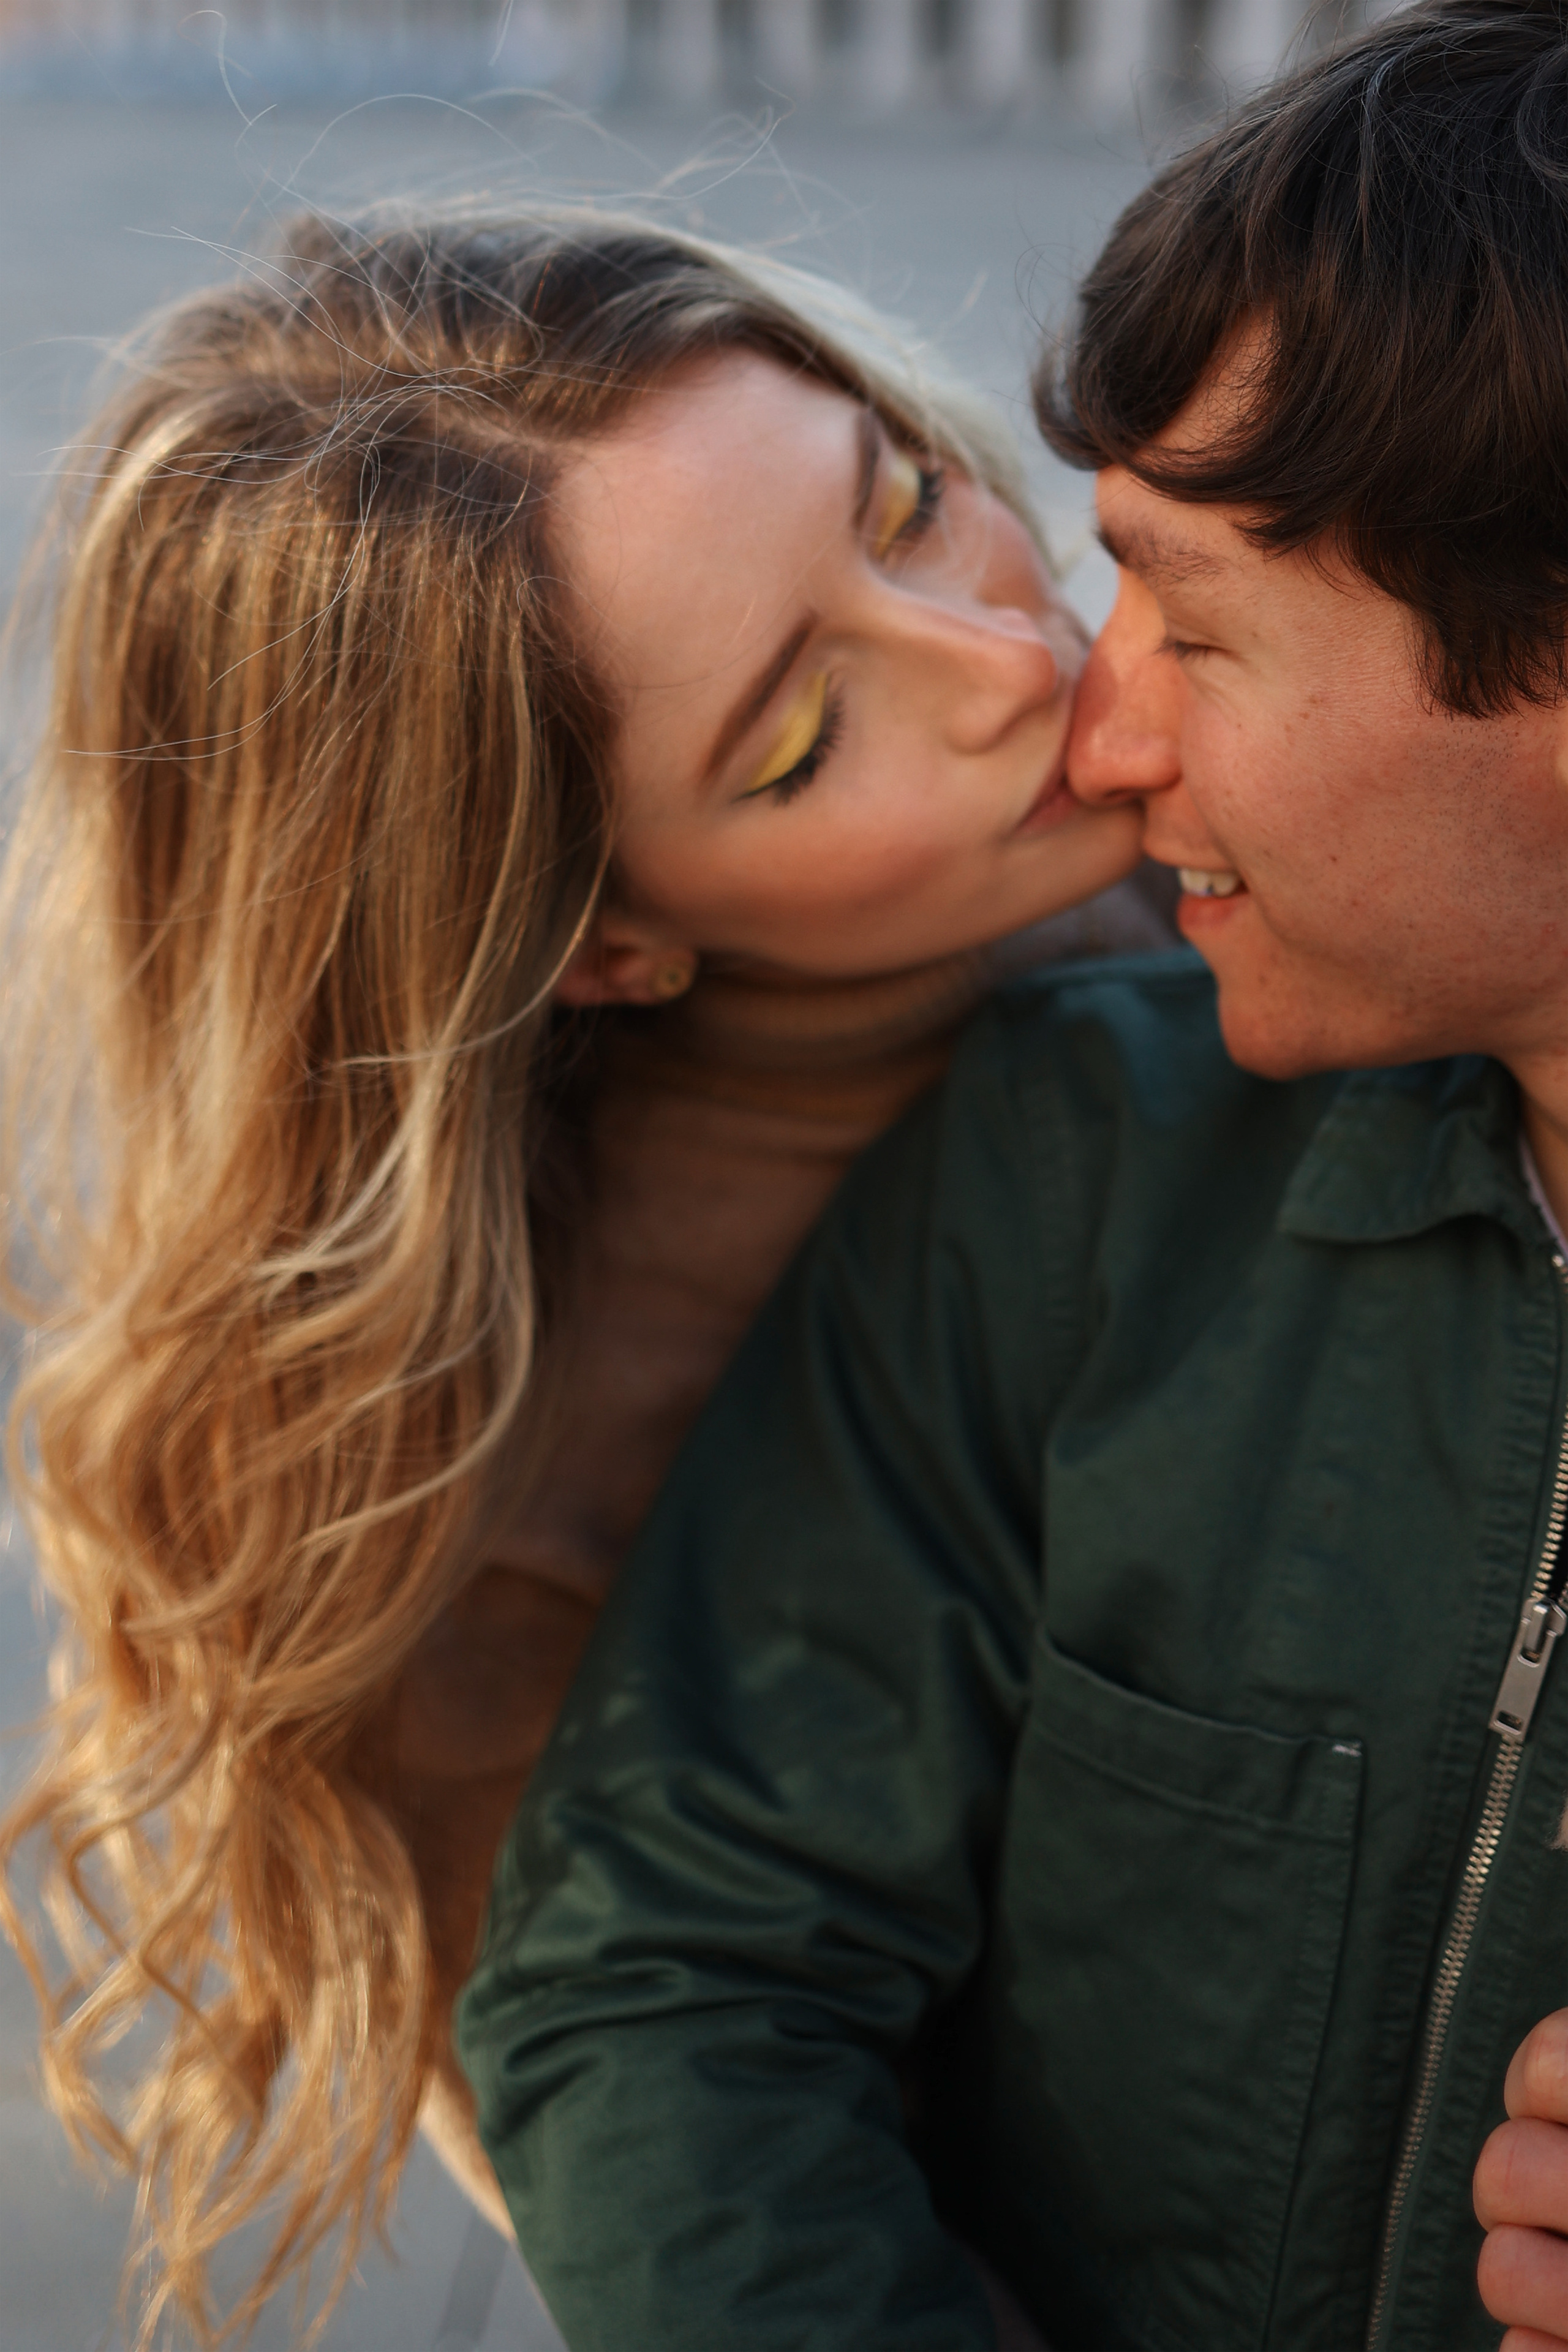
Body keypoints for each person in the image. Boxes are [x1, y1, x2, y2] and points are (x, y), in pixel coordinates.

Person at [453, 6, 1568, 2348]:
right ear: (610, 948)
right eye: (787, 738)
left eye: (1210, 626)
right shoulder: (1077, 1147)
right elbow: (656, 1982)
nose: (1070, 693)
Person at [0, 206, 1163, 2343]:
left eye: (907, 502)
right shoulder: (516, 1537)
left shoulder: (1210, 828)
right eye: (804, 741)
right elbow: (717, 2228)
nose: (1013, 659)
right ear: (605, 944)